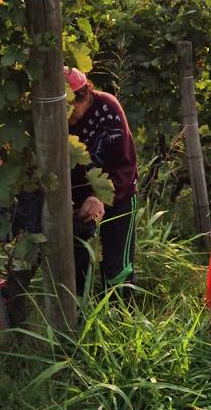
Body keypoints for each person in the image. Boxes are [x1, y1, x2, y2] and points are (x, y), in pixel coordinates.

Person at [65, 67, 139, 297]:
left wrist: (99, 197)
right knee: (75, 268)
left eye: (71, 108)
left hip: (118, 193)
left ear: (85, 95)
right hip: (75, 201)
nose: (68, 116)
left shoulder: (108, 109)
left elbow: (124, 165)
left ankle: (120, 320)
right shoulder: (54, 120)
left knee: (117, 267)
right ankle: (78, 321)